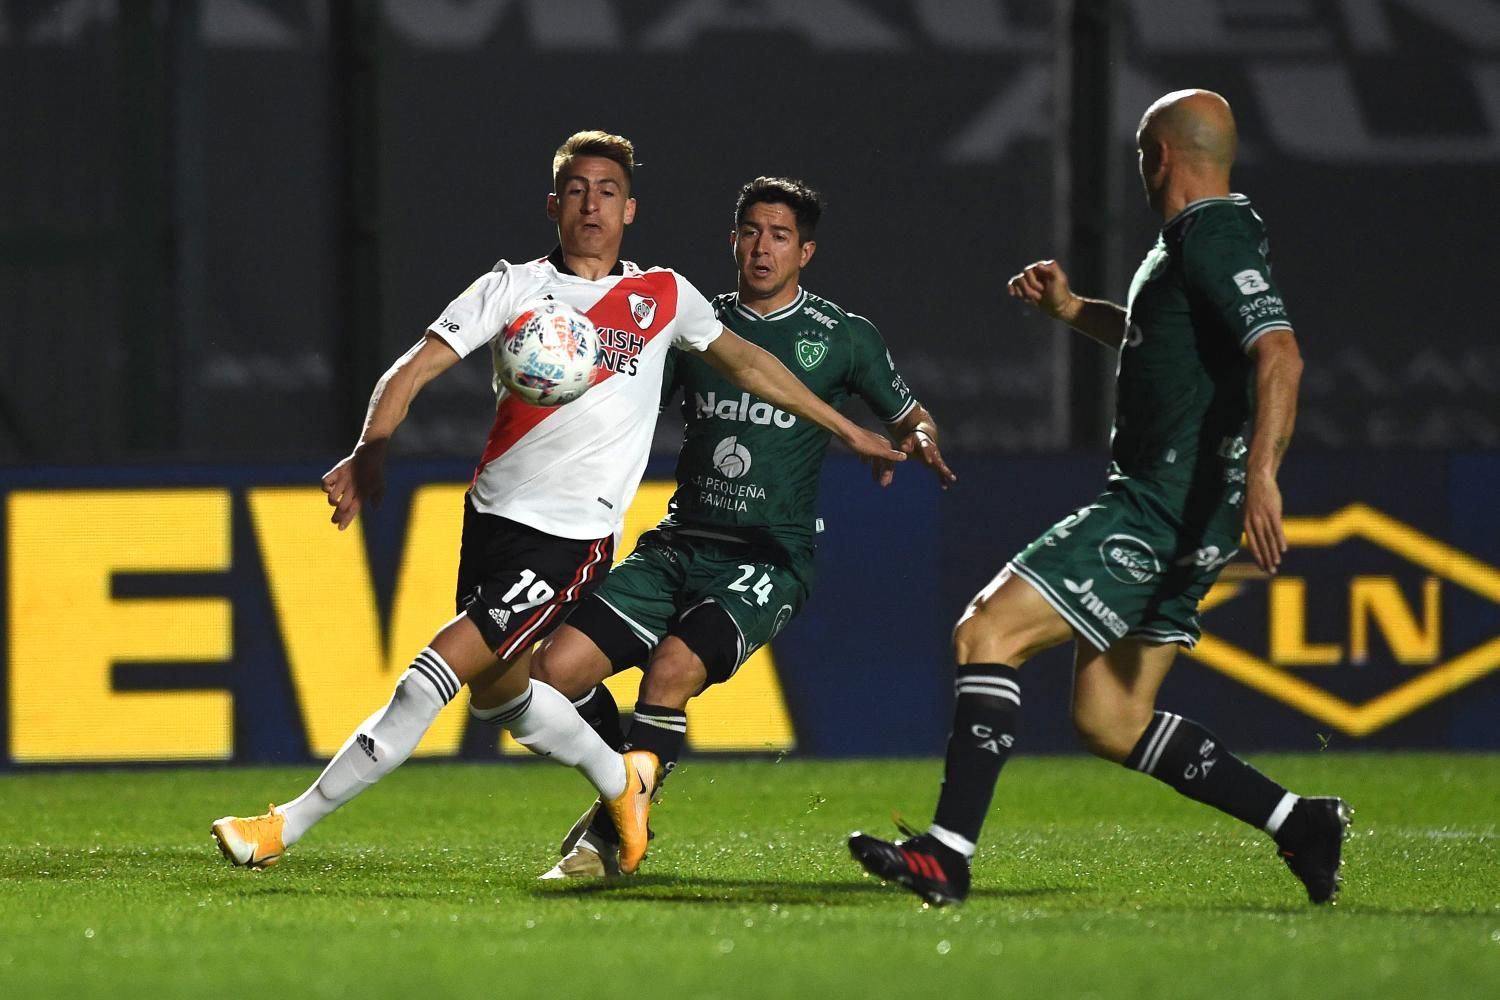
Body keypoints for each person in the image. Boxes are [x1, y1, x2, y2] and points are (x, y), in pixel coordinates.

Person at [210, 132, 903, 876]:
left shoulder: (663, 298)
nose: (592, 204)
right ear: (553, 204)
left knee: (429, 677)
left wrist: (847, 429)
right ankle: (622, 784)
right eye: (576, 189)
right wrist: (370, 447)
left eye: (607, 190)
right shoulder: (510, 288)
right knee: (504, 701)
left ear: (630, 209)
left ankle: (283, 826)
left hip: (567, 543)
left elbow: (753, 363)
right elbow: (412, 370)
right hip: (491, 525)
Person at [848, 90, 1352, 906]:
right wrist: (1075, 311)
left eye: (1141, 156)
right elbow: (1168, 346)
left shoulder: (1214, 234)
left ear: (1159, 156)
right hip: (1192, 516)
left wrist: (1264, 476)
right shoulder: (1199, 241)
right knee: (1112, 717)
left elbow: (1281, 356)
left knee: (987, 632)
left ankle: (946, 852)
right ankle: (1300, 820)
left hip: (1160, 506)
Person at [528, 176, 957, 879]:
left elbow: (907, 412)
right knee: (552, 673)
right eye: (751, 231)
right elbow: (626, 402)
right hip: (679, 543)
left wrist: (918, 435)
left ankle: (609, 837)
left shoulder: (842, 339)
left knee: (670, 671)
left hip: (767, 556)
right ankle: (625, 788)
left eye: (780, 235)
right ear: (732, 240)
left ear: (806, 251)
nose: (762, 247)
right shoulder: (696, 324)